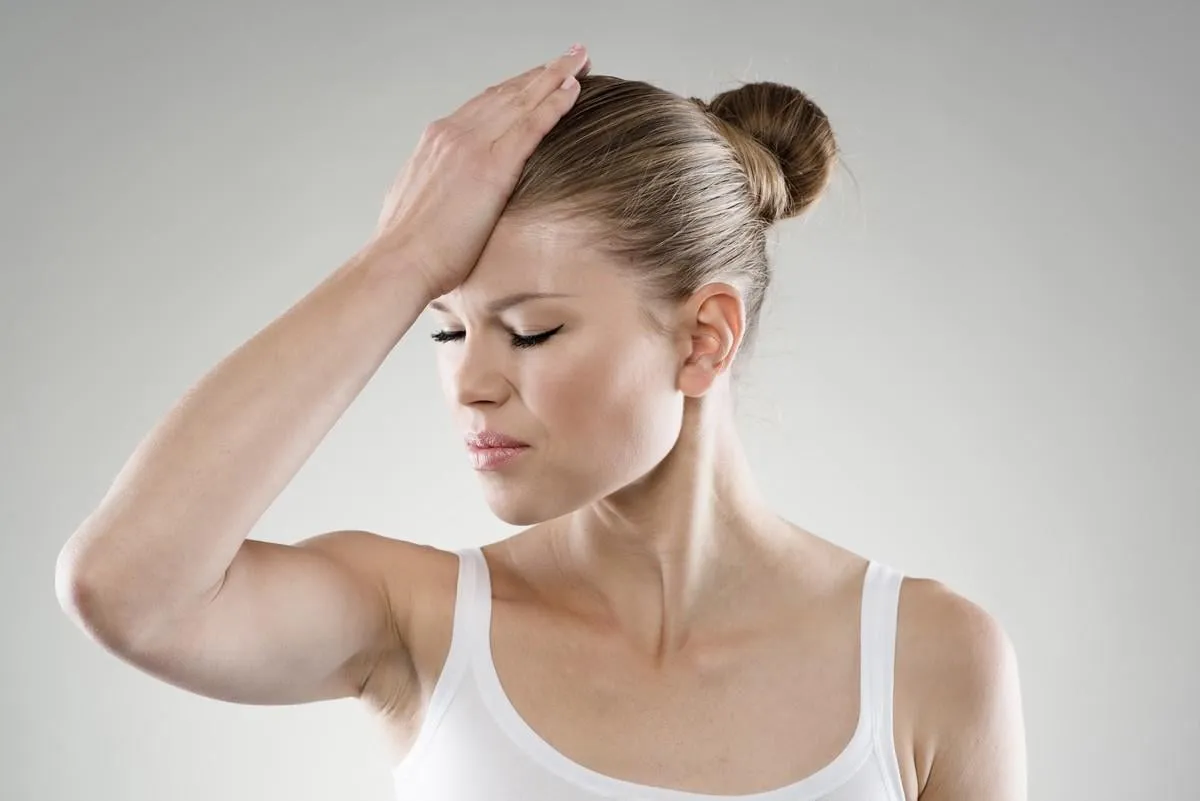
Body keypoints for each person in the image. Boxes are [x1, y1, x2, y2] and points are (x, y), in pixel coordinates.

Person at [55, 43, 1027, 801]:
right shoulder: (418, 622)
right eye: (446, 330)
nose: (470, 384)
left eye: (530, 331)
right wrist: (398, 260)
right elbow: (126, 587)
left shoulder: (929, 656)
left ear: (704, 339)